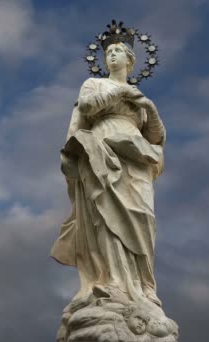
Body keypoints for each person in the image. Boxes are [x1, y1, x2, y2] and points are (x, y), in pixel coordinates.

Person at [51, 41, 166, 307]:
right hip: (102, 148)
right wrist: (121, 93)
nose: (112, 55)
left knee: (144, 218)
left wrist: (148, 107)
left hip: (137, 155)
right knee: (105, 213)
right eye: (108, 53)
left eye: (117, 52)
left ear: (130, 61)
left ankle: (145, 287)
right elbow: (88, 108)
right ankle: (113, 280)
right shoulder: (94, 84)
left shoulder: (139, 96)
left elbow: (156, 136)